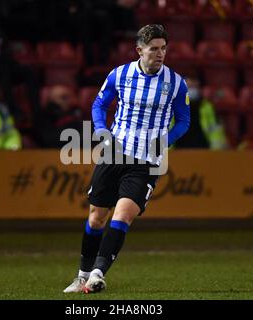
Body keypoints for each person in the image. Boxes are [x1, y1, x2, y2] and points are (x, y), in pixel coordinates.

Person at [63, 24, 190, 293]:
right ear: (139, 50)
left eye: (163, 48)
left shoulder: (176, 83)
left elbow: (184, 121)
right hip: (114, 153)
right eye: (154, 49)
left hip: (146, 161)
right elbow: (99, 104)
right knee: (97, 217)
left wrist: (166, 140)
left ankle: (98, 274)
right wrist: (101, 130)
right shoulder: (120, 75)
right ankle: (82, 275)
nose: (160, 53)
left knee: (122, 216)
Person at [175, 77, 227, 149]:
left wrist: (216, 152)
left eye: (194, 87)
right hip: (178, 152)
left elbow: (215, 130)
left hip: (203, 150)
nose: (192, 90)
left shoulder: (207, 107)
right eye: (189, 86)